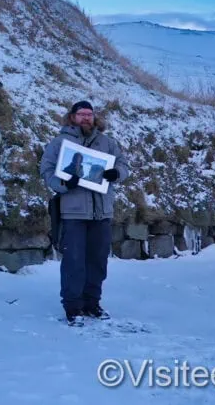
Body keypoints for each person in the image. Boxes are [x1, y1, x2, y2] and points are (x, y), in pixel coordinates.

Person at [40, 100, 129, 325]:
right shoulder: (59, 143)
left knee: (98, 261)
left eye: (89, 114)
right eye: (81, 114)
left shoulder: (107, 142)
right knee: (74, 261)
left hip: (102, 212)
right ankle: (73, 307)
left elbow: (123, 165)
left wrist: (116, 174)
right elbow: (47, 171)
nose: (86, 118)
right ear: (72, 117)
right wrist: (63, 183)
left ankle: (92, 303)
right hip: (73, 213)